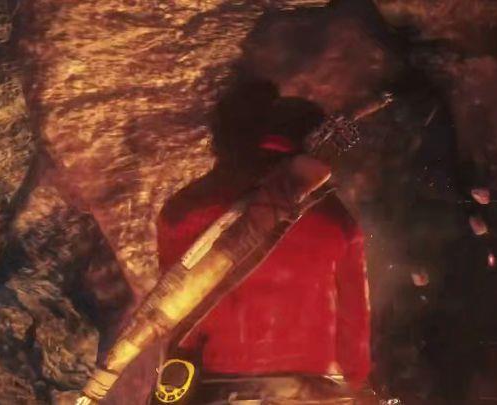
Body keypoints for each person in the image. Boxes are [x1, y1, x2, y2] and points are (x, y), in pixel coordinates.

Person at [152, 76, 373, 404]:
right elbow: (354, 323)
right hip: (310, 392)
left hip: (216, 388)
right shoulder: (336, 219)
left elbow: (174, 308)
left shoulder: (186, 208)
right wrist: (356, 380)